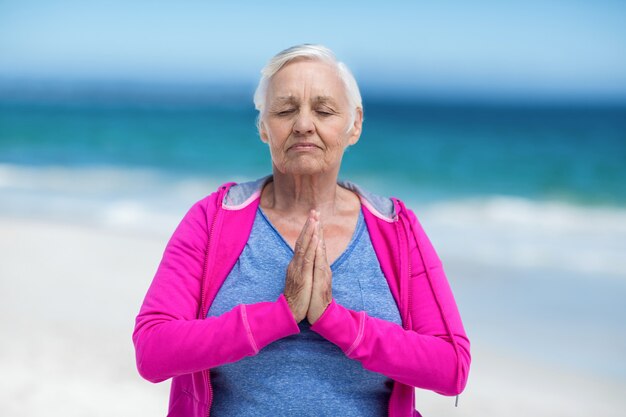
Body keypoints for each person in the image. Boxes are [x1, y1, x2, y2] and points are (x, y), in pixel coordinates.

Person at [132, 44, 470, 417]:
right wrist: (279, 315)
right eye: (285, 110)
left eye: (323, 110)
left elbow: (452, 367)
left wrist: (334, 320)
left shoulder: (396, 230)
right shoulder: (213, 219)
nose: (303, 124)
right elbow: (152, 351)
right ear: (263, 127)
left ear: (354, 125)